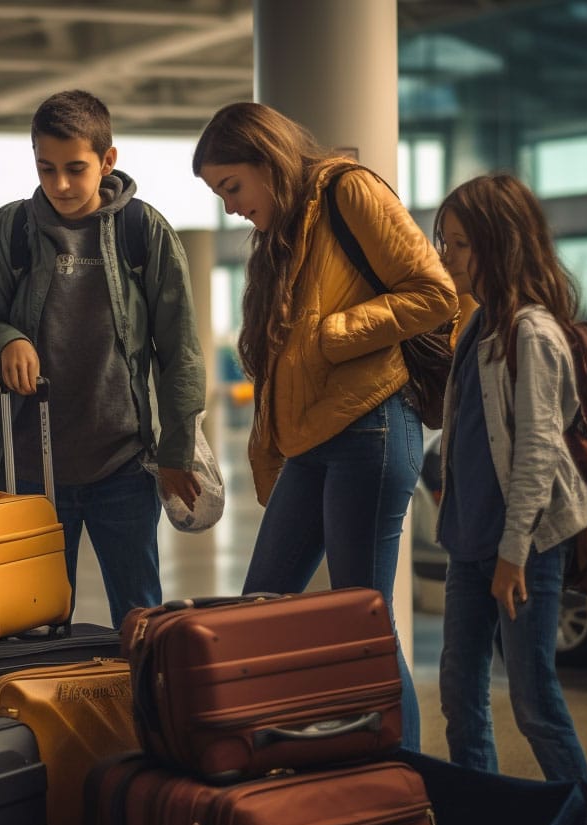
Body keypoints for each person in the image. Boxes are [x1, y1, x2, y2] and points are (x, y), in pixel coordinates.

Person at [193, 102, 457, 752]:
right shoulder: (283, 232)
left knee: (359, 621)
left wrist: (335, 335)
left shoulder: (348, 190)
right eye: (220, 194)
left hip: (371, 426)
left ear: (268, 159)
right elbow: (281, 360)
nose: (230, 207)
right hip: (315, 442)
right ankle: (270, 765)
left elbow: (435, 292)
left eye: (233, 187)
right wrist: (270, 449)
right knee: (262, 605)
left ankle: (404, 781)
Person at [0, 89, 207, 628]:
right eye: (46, 168)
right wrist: (7, 339)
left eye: (76, 169)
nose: (60, 185)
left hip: (122, 464)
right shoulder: (10, 230)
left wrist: (177, 448)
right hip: (30, 470)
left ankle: (145, 712)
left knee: (140, 619)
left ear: (108, 161)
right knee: (35, 623)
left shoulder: (144, 232)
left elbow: (181, 353)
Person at [433, 173, 587, 784]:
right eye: (444, 241)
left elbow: (537, 455)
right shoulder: (478, 325)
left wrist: (513, 553)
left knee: (533, 701)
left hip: (520, 550)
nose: (446, 256)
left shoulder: (533, 332)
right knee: (459, 695)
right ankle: (485, 821)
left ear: (498, 244)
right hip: (468, 543)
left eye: (459, 244)